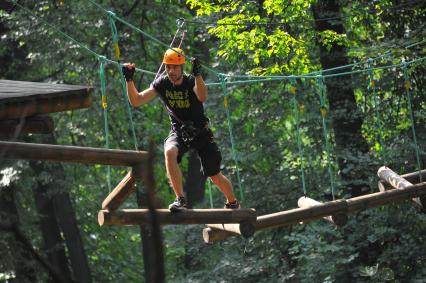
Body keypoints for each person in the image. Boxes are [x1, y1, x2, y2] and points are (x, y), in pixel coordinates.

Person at [122, 47, 240, 211]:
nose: (171, 71)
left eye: (175, 67)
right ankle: (180, 200)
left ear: (182, 67)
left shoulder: (191, 81)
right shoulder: (162, 84)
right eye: (168, 67)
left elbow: (202, 96)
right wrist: (129, 80)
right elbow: (136, 101)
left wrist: (198, 75)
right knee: (169, 151)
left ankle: (232, 202)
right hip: (180, 132)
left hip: (201, 133)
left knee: (215, 176)